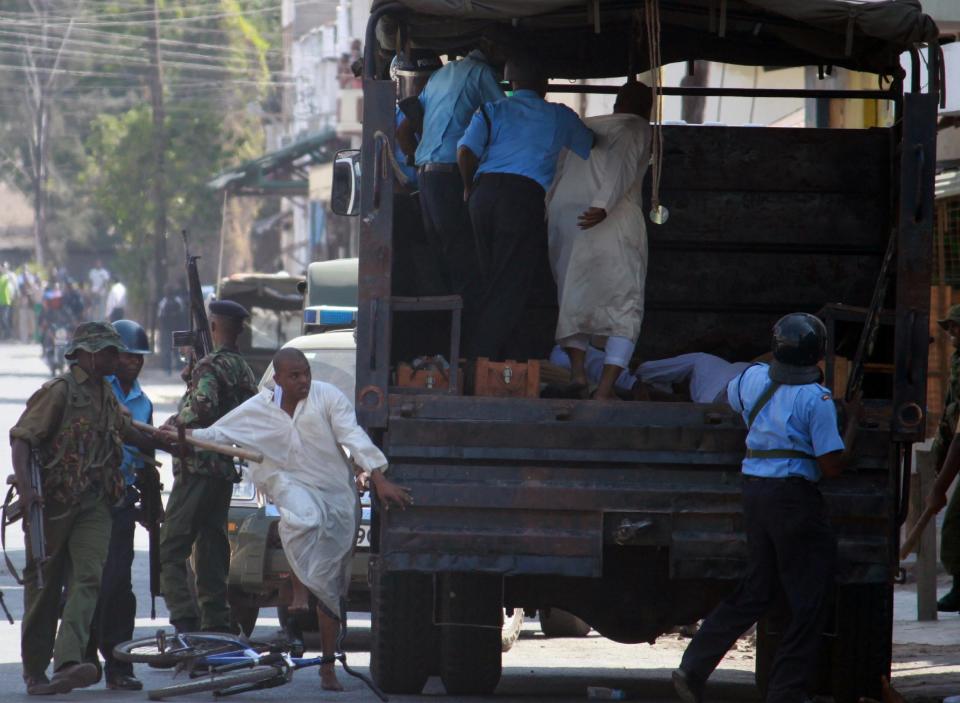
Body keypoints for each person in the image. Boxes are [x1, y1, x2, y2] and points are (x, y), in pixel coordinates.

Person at [167, 347, 412, 690]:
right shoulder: (259, 409)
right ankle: (297, 586)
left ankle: (328, 665)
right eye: (294, 376)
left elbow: (352, 436)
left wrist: (378, 477)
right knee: (304, 519)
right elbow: (219, 434)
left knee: (330, 590)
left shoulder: (328, 398)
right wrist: (181, 435)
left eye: (306, 374)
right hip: (290, 485)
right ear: (278, 379)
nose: (303, 381)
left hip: (338, 500)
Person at [673, 313, 860, 703]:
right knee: (808, 600)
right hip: (794, 500)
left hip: (755, 494)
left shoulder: (752, 379)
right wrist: (853, 425)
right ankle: (787, 691)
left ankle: (692, 668)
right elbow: (831, 465)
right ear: (817, 356)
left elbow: (729, 400)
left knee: (756, 590)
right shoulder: (817, 399)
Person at [9, 322, 173, 695]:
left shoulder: (104, 394)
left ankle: (69, 662)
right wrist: (27, 488)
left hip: (95, 502)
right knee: (45, 586)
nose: (119, 358)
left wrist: (170, 442)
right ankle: (36, 671)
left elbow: (128, 430)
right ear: (87, 354)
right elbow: (21, 438)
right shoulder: (59, 392)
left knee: (89, 577)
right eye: (111, 352)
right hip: (54, 503)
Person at [457, 52, 594, 362]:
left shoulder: (491, 109)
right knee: (511, 281)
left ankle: (500, 355)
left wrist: (468, 187)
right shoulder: (559, 115)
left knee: (489, 275)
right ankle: (482, 358)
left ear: (511, 82)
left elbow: (465, 151)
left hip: (483, 195)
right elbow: (590, 146)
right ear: (544, 84)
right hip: (522, 198)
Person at [547, 81, 653, 398]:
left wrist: (549, 212)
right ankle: (605, 390)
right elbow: (621, 161)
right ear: (647, 107)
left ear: (616, 102)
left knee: (572, 297)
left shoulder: (583, 127)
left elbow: (556, 172)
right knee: (625, 303)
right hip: (611, 219)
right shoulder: (637, 126)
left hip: (566, 218)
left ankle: (578, 374)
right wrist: (603, 206)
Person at [159, 300, 258, 634]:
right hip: (224, 468)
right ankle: (216, 619)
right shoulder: (242, 368)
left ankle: (185, 618)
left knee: (171, 544)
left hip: (198, 467)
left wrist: (175, 422)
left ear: (214, 326)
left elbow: (203, 407)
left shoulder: (211, 365)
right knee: (212, 546)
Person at [398, 48, 503, 297]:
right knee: (465, 259)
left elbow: (402, 132)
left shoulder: (439, 76)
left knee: (441, 259)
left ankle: (447, 325)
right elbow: (506, 116)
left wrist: (418, 159)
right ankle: (471, 326)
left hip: (426, 177)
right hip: (452, 174)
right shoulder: (482, 72)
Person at [83, 320, 154, 691]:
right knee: (88, 582)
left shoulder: (143, 402)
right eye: (128, 356)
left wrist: (152, 511)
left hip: (122, 501)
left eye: (139, 357)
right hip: (88, 501)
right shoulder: (95, 390)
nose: (134, 363)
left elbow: (146, 459)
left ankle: (118, 662)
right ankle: (80, 657)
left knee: (119, 585)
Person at [929, 305, 960, 611]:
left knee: (954, 526)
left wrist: (940, 486)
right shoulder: (957, 361)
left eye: (956, 327)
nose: (951, 333)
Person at [157, 285, 186, 375]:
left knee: (167, 348)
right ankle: (179, 366)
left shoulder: (163, 302)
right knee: (176, 347)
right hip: (176, 328)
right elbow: (182, 313)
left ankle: (168, 368)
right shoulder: (178, 301)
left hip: (167, 329)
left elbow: (160, 316)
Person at [0, 261, 18, 340]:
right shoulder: (1, 277)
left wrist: (14, 295)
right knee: (2, 319)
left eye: (4, 267)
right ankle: (4, 335)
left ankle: (9, 334)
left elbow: (14, 286)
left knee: (5, 318)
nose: (3, 268)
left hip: (7, 301)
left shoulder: (9, 276)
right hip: (1, 301)